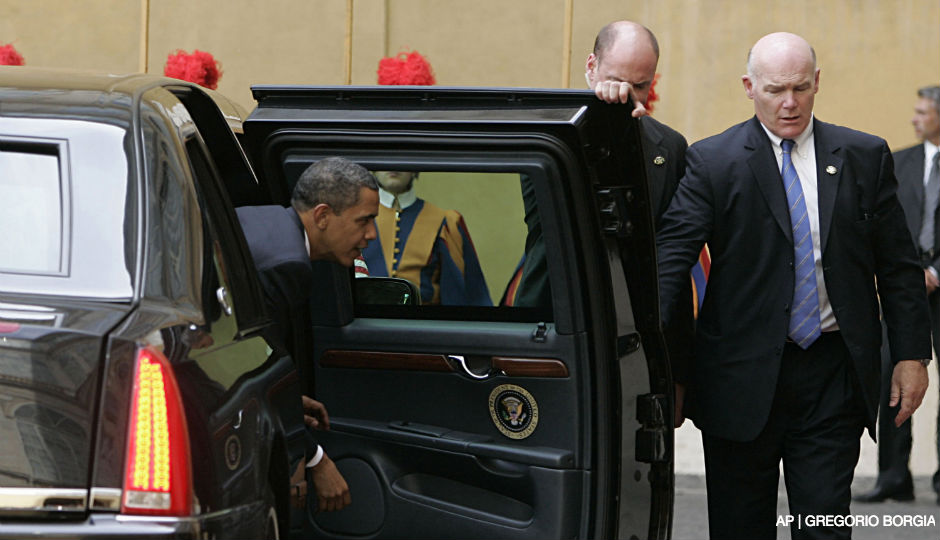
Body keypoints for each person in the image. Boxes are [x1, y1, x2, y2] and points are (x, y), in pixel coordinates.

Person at [656, 32, 931, 539]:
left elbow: (897, 265)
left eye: (801, 88)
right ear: (749, 86)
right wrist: (652, 365)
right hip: (738, 377)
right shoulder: (713, 162)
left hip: (832, 373)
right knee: (741, 527)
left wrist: (913, 355)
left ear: (817, 82)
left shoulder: (864, 156)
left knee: (823, 525)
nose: (789, 103)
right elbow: (669, 268)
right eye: (776, 89)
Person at [236, 157, 379, 512]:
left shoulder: (266, 222)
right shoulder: (288, 265)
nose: (372, 235)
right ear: (322, 216)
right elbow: (260, 371)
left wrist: (290, 403)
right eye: (365, 220)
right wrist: (315, 459)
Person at [854, 85, 940, 505]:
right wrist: (906, 274)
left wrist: (936, 272)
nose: (915, 118)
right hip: (903, 294)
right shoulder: (899, 161)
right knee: (894, 379)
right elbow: (887, 226)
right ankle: (892, 476)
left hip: (935, 283)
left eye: (923, 112)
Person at [362, 170, 491, 305]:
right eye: (387, 155)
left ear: (415, 170)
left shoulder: (443, 221)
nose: (393, 166)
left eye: (405, 156)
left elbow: (460, 294)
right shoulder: (357, 217)